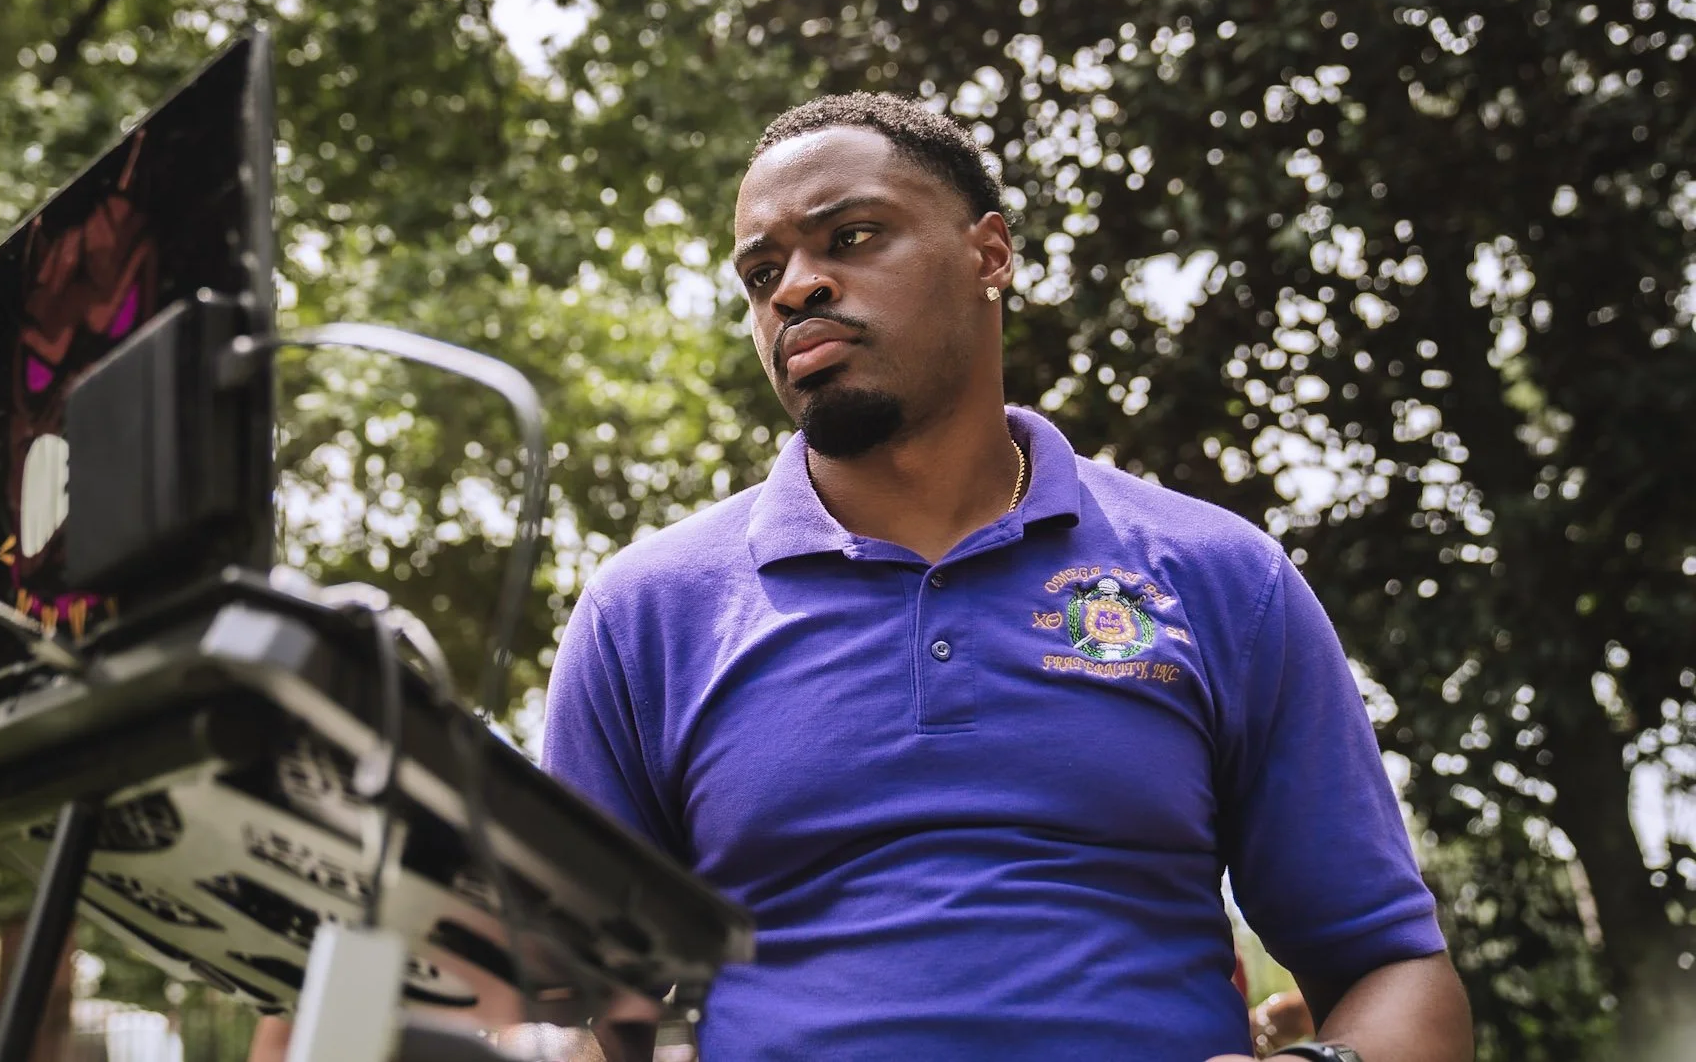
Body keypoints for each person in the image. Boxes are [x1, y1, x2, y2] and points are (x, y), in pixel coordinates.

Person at [537, 94, 1474, 1062]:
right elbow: (574, 1015)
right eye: (761, 272)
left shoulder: (1222, 577)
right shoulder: (642, 616)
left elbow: (1393, 970)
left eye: (849, 237)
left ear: (989, 254)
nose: (795, 289)